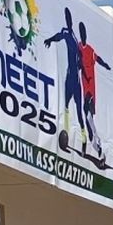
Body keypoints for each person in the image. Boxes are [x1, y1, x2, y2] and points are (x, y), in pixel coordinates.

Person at [44, 8, 86, 148]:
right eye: (66, 17)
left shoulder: (74, 36)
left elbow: (80, 60)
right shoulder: (67, 33)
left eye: (69, 17)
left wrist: (81, 67)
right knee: (66, 105)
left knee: (79, 112)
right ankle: (66, 134)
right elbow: (59, 36)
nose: (68, 20)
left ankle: (84, 138)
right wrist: (50, 39)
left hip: (76, 79)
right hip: (69, 76)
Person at [77, 21, 112, 163]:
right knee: (87, 119)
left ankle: (96, 146)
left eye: (84, 32)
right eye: (82, 32)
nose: (83, 35)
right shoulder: (79, 47)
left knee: (88, 116)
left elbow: (98, 59)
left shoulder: (90, 50)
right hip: (84, 88)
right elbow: (77, 62)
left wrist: (105, 65)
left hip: (91, 90)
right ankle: (96, 147)